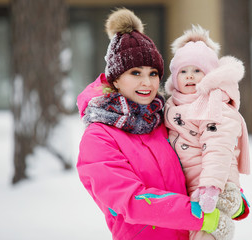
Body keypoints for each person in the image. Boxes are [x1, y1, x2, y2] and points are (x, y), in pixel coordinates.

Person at [76, 9, 224, 240]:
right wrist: (198, 214)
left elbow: (197, 161)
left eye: (153, 73)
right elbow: (129, 199)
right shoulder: (99, 137)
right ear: (115, 79)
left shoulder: (165, 119)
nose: (147, 83)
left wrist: (226, 195)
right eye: (135, 73)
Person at [164, 25, 251, 240]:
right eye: (183, 71)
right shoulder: (173, 105)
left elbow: (218, 147)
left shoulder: (215, 104)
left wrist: (210, 187)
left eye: (197, 71)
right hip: (189, 187)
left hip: (215, 187)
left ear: (210, 75)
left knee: (210, 231)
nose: (190, 77)